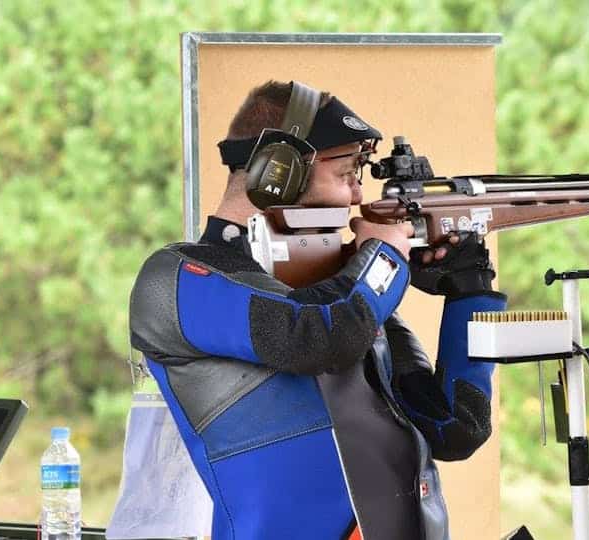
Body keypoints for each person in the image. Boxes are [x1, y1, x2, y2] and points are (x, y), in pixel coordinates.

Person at [128, 80, 505, 540]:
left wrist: (469, 289)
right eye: (347, 173)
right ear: (278, 171)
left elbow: (454, 426)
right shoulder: (177, 281)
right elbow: (315, 337)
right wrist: (384, 260)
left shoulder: (342, 295)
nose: (355, 198)